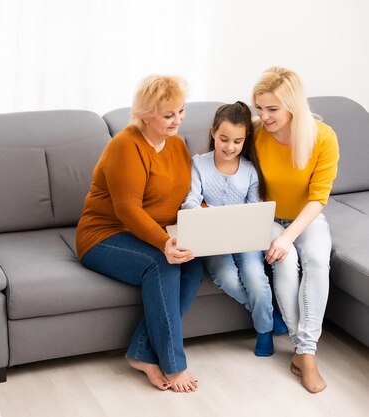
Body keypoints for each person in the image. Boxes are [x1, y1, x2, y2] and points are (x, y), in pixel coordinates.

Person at [76, 75, 203, 393]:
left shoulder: (176, 145)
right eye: (168, 114)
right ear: (146, 115)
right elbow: (127, 210)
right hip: (105, 235)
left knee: (194, 265)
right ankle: (174, 366)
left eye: (181, 111)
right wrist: (164, 243)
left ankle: (141, 353)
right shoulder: (125, 146)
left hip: (151, 232)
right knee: (161, 264)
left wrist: (200, 224)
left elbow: (184, 194)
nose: (178, 120)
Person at [252, 67, 339, 393]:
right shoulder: (255, 133)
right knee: (285, 264)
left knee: (317, 260)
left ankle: (305, 352)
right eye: (259, 107)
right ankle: (305, 353)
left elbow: (319, 197)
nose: (264, 115)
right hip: (269, 218)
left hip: (306, 217)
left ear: (293, 106)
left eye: (272, 109)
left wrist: (289, 236)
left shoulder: (323, 136)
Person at [181, 101, 277, 357]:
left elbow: (256, 209)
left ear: (245, 141)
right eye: (224, 139)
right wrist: (200, 214)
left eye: (237, 141)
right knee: (227, 278)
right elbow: (190, 199)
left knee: (256, 280)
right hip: (212, 241)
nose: (230, 147)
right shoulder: (198, 164)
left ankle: (264, 332)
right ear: (213, 133)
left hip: (246, 240)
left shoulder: (249, 170)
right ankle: (267, 316)